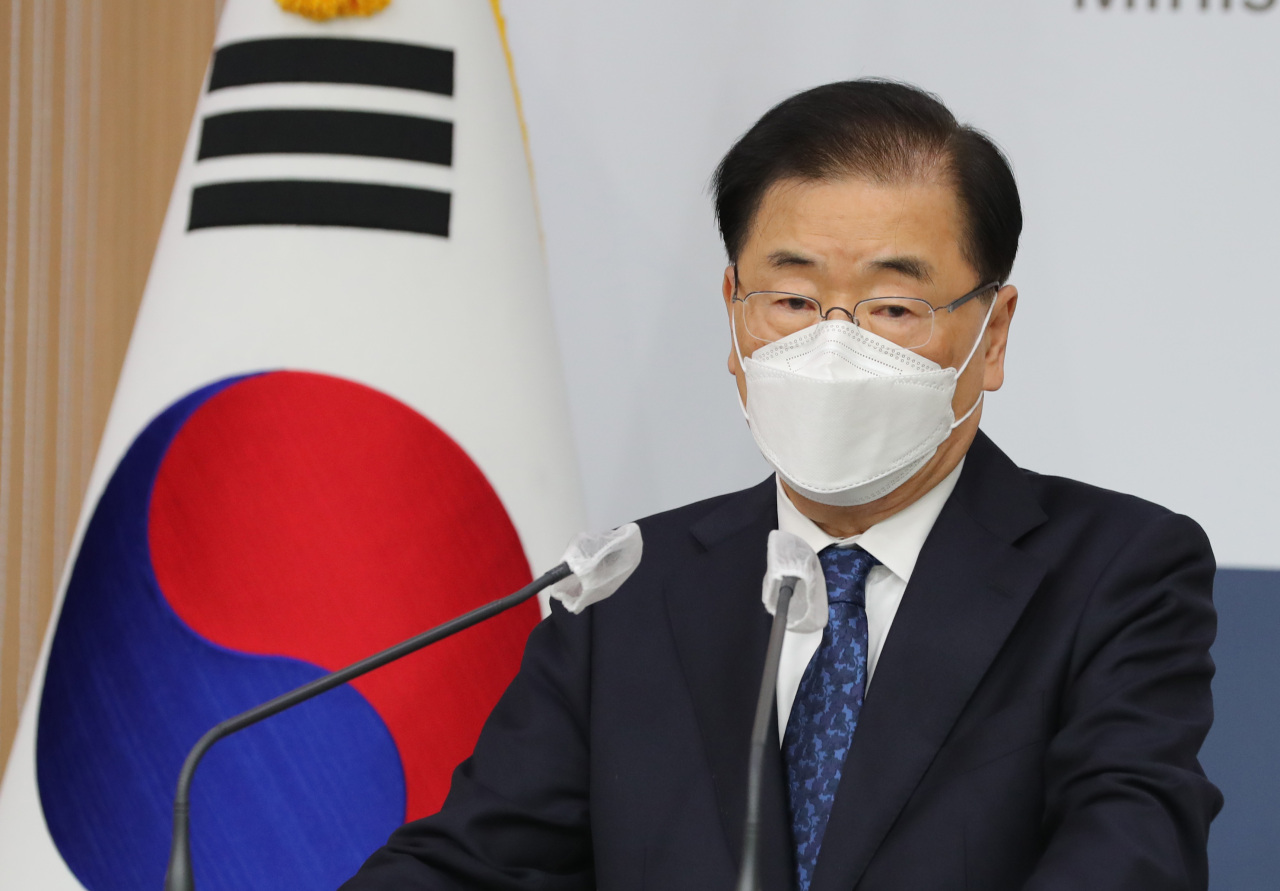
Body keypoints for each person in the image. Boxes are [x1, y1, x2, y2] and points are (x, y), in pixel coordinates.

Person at [340, 80, 1221, 891]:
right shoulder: (631, 590)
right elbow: (471, 866)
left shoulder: (1115, 574)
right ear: (734, 312)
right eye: (792, 302)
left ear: (991, 336)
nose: (833, 345)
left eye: (891, 308)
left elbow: (1129, 859)